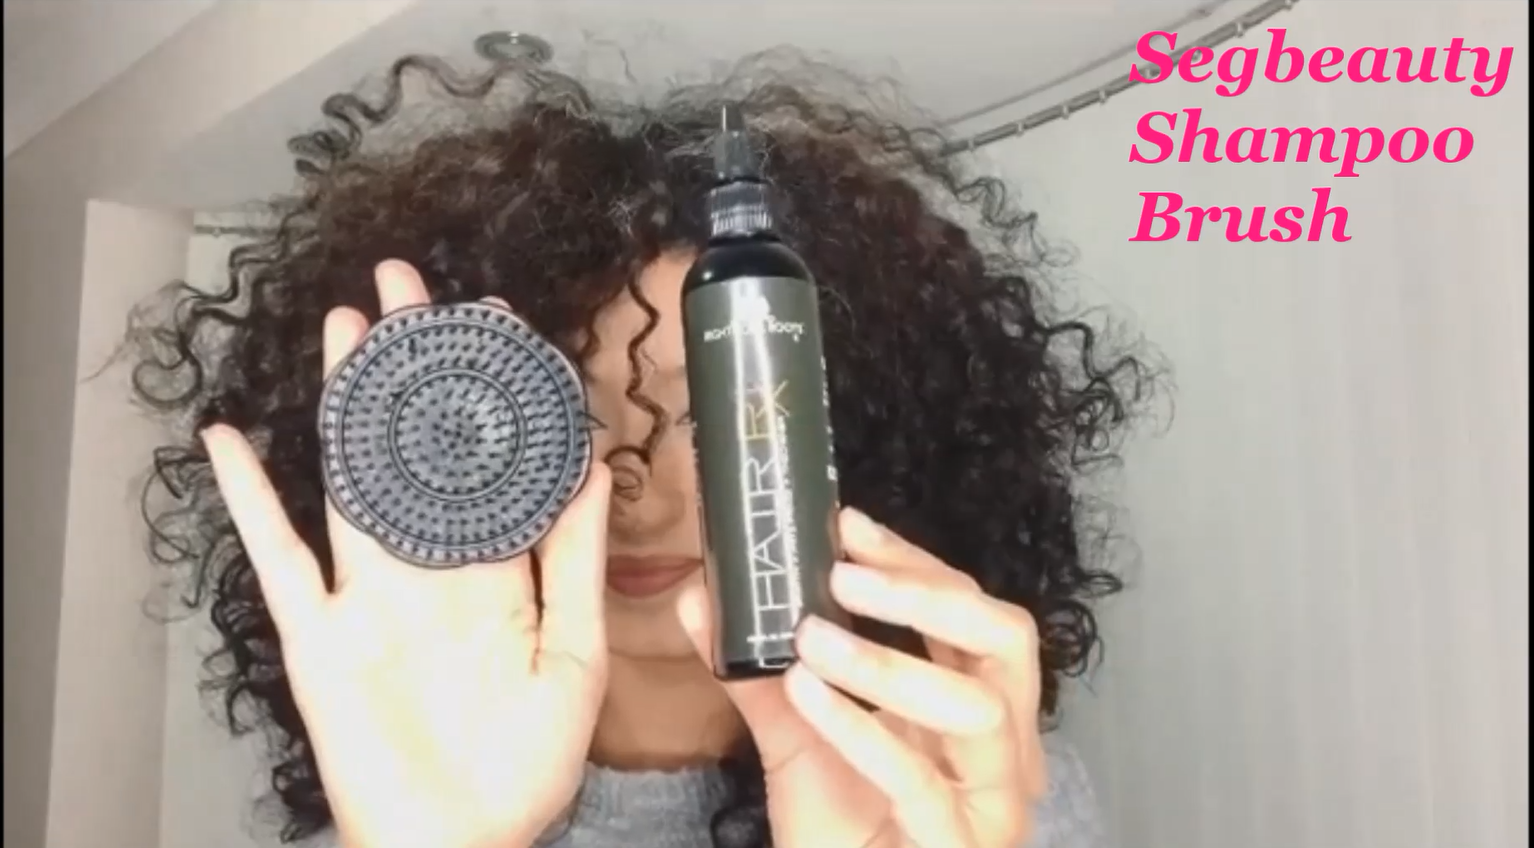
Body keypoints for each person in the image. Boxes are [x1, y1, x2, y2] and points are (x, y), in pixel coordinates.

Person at [131, 53, 1153, 848]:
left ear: (857, 439)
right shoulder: (395, 819)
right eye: (571, 423)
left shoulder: (965, 797)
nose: (635, 495)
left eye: (708, 419)